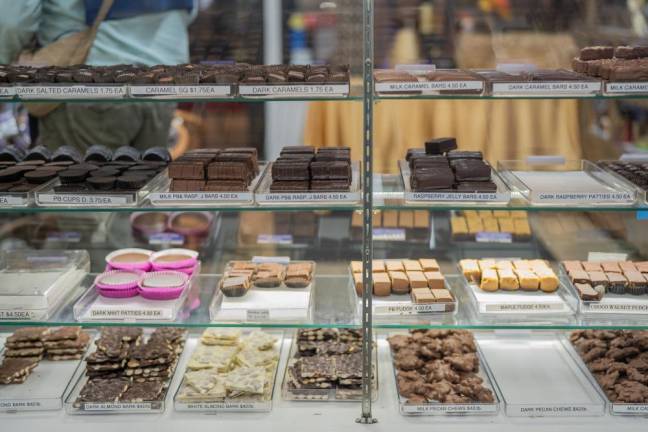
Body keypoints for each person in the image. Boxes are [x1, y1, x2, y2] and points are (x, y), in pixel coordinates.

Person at [0, 0, 196, 152]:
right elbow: (191, 9)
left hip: (88, 85)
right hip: (162, 83)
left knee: (76, 195)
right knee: (143, 193)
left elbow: (12, 21)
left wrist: (6, 68)